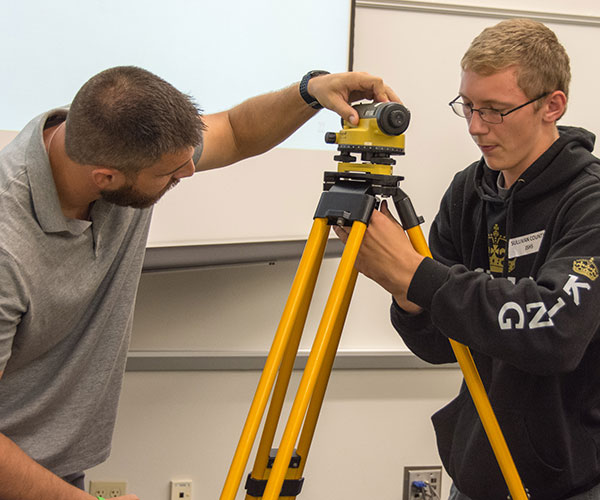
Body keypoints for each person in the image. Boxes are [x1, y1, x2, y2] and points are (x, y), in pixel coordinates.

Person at [0, 65, 400, 500]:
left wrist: (310, 91)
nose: (189, 171)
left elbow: (234, 130)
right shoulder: (7, 243)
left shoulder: (120, 144)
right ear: (106, 178)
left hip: (59, 470)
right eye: (170, 173)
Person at [334, 18, 600, 500]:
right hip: (479, 468)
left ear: (552, 105)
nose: (476, 127)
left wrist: (420, 276)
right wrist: (405, 291)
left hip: (569, 479)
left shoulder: (590, 202)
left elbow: (555, 334)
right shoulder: (469, 191)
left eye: (495, 110)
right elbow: (440, 344)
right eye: (469, 107)